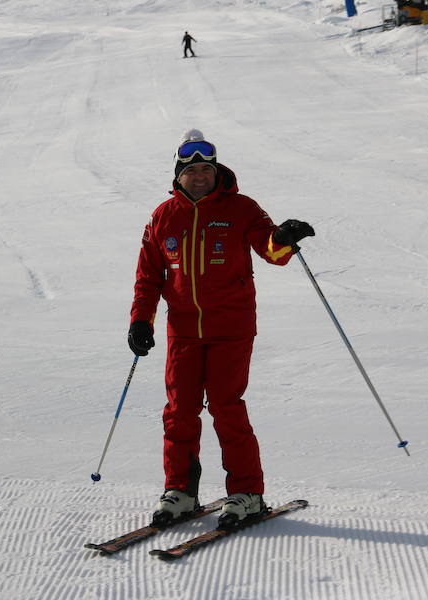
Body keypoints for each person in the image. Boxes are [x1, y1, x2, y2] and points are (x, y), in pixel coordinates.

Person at [128, 129, 315, 529]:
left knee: (227, 410)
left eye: (206, 170)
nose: (200, 176)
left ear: (216, 172)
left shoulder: (241, 208)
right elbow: (148, 276)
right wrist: (140, 321)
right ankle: (180, 491)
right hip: (183, 331)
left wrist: (283, 238)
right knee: (179, 413)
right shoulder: (163, 217)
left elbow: (270, 249)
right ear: (178, 175)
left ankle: (247, 494)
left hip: (231, 328)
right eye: (191, 170)